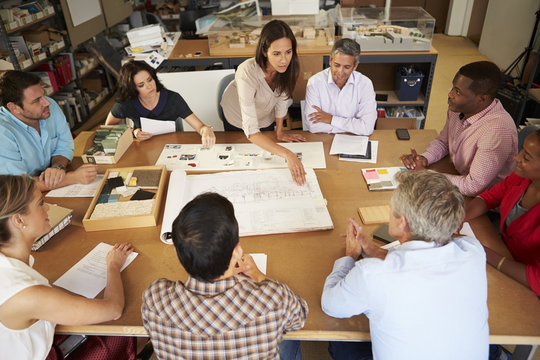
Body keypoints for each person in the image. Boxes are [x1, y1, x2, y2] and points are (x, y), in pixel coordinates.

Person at [321, 171, 489, 360]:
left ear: (403, 222)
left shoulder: (373, 274)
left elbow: (330, 304)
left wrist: (350, 256)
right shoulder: (473, 251)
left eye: (392, 208)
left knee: (341, 342)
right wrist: (374, 251)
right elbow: (420, 258)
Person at [142, 192, 308, 359]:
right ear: (237, 252)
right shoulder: (273, 299)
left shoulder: (155, 298)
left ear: (177, 251)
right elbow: (299, 318)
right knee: (288, 339)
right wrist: (258, 276)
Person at [0, 174, 136, 360]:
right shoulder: (27, 294)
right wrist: (113, 265)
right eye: (40, 203)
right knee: (120, 338)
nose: (47, 207)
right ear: (19, 220)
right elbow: (113, 310)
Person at [400, 61, 517, 196]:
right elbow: (443, 143)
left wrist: (426, 175)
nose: (450, 94)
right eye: (453, 88)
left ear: (482, 99)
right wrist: (424, 159)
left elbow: (473, 186)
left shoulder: (497, 131)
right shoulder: (458, 109)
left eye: (458, 92)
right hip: (458, 177)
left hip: (485, 200)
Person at [220, 20, 307, 185]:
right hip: (237, 118)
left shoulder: (289, 67)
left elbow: (282, 100)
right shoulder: (247, 71)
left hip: (265, 117)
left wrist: (280, 132)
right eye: (277, 53)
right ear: (264, 51)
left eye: (288, 52)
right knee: (243, 165)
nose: (284, 60)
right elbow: (251, 131)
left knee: (266, 162)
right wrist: (288, 154)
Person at [465, 129, 540, 296]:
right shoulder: (522, 177)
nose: (516, 158)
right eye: (521, 150)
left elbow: (537, 278)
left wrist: (484, 252)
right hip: (503, 254)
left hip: (526, 288)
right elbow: (490, 197)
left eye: (526, 157)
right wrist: (460, 218)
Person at [0, 71, 98, 191]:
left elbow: (63, 147)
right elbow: (18, 185)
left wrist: (58, 168)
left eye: (43, 95)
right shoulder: (3, 133)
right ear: (14, 107)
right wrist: (72, 178)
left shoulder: (50, 108)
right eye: (36, 100)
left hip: (49, 188)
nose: (47, 102)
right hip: (18, 198)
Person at [105, 60, 215, 146]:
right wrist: (133, 132)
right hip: (143, 150)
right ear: (132, 88)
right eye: (141, 85)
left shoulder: (173, 99)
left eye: (149, 80)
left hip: (172, 147)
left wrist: (206, 130)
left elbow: (200, 127)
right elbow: (108, 127)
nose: (149, 86)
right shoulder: (126, 104)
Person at [304, 38, 377, 135]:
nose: (340, 72)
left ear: (355, 66)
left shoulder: (365, 84)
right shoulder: (314, 83)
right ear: (330, 61)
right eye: (337, 65)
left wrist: (331, 119)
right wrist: (353, 126)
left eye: (347, 67)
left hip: (354, 142)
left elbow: (367, 128)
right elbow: (313, 126)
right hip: (324, 140)